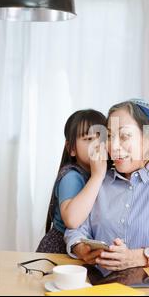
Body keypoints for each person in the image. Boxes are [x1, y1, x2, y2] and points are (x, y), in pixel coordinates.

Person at [65, 99, 149, 270]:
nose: (114, 146)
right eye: (110, 136)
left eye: (124, 136)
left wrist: (138, 257)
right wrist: (81, 248)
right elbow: (75, 230)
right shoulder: (99, 181)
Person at [36, 109, 108, 254]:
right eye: (88, 139)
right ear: (72, 149)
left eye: (102, 138)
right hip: (60, 252)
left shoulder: (108, 174)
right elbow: (72, 221)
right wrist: (97, 176)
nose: (96, 145)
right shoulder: (71, 176)